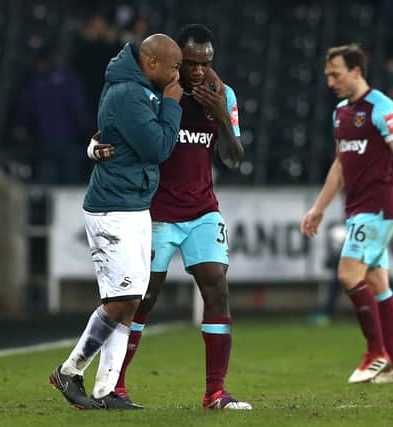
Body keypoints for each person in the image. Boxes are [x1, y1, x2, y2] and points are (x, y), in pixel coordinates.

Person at [89, 24, 251, 410]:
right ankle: (117, 386)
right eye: (190, 63)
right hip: (157, 211)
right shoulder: (157, 93)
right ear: (178, 58)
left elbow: (234, 158)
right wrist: (96, 147)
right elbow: (121, 133)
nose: (197, 71)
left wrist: (223, 120)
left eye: (205, 63)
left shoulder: (223, 96)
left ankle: (215, 393)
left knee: (217, 286)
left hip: (202, 210)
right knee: (143, 298)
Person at [49, 33, 183, 410]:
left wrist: (98, 144)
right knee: (121, 298)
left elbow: (116, 137)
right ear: (152, 64)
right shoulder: (129, 93)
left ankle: (107, 391)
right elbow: (158, 147)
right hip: (113, 209)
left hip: (134, 204)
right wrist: (172, 106)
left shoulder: (137, 91)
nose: (178, 75)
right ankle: (70, 370)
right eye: (174, 66)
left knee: (130, 300)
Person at [301, 43, 393, 384]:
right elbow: (339, 165)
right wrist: (318, 208)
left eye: (336, 74)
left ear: (356, 71)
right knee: (377, 282)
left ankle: (376, 353)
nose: (330, 81)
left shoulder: (383, 108)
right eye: (327, 75)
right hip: (356, 207)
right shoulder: (341, 111)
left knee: (347, 275)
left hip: (378, 207)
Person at [18, 46, 89, 184]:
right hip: (64, 142)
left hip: (48, 142)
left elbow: (25, 113)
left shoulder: (37, 83)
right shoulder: (69, 82)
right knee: (68, 187)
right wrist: (84, 132)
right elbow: (79, 112)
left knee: (48, 187)